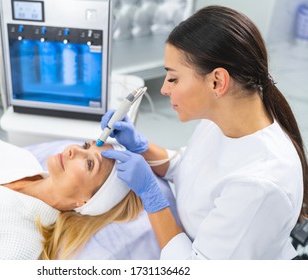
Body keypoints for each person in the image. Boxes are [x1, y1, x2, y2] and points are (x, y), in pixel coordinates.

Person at [101, 5, 308, 259]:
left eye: (173, 78)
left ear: (217, 82)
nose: (164, 90)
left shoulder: (259, 184)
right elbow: (190, 169)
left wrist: (151, 197)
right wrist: (142, 148)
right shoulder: (221, 119)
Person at [0, 137, 142, 260]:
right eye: (86, 146)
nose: (74, 150)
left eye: (89, 163)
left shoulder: (20, 246)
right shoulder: (10, 154)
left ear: (85, 201)